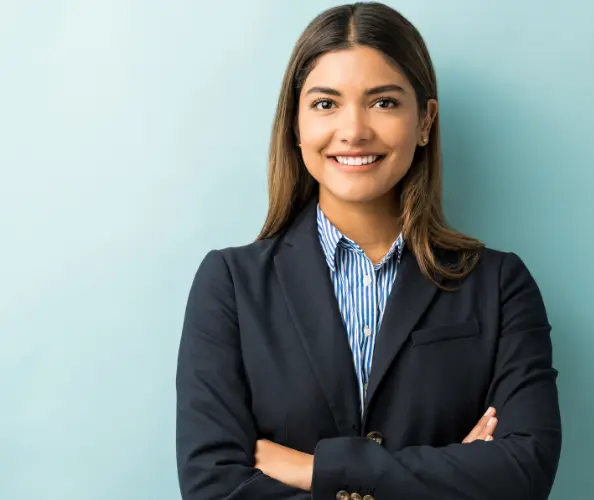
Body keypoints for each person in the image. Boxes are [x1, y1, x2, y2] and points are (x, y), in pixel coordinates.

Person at [174, 3, 562, 499]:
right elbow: (213, 488)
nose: (353, 130)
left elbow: (523, 474)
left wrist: (316, 471)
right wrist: (453, 473)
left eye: (383, 102)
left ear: (425, 121)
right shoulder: (229, 284)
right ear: (295, 125)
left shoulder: (499, 284)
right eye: (325, 103)